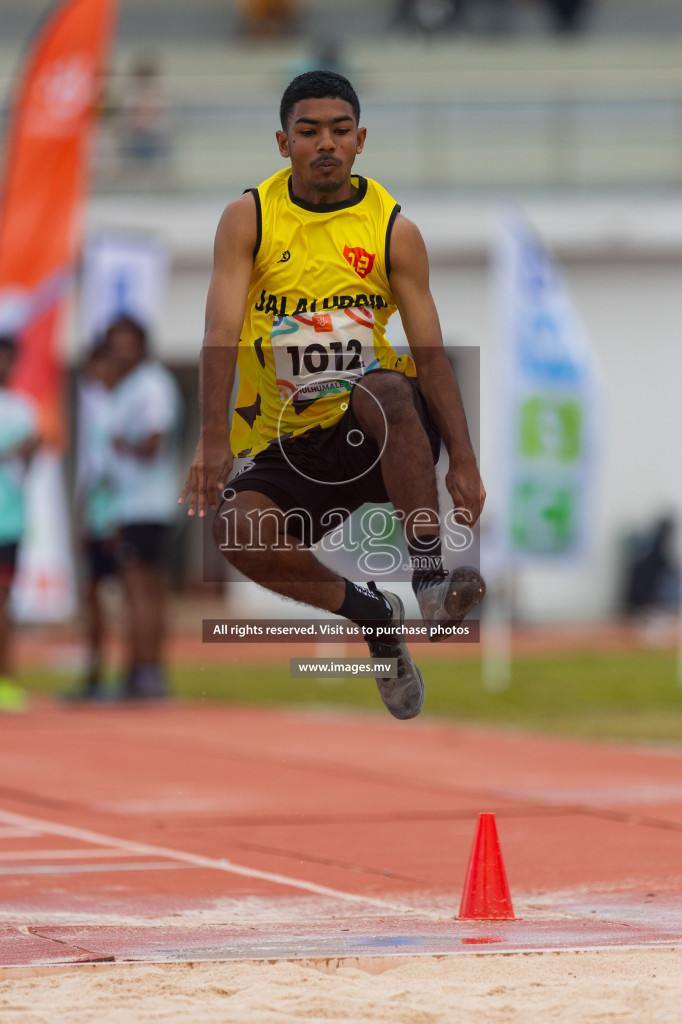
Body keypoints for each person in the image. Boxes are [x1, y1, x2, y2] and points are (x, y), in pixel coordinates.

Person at [180, 70, 485, 720]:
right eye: (309, 131)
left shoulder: (392, 229)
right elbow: (220, 332)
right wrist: (211, 440)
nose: (326, 143)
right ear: (283, 142)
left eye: (340, 131)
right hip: (285, 443)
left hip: (373, 434)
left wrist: (462, 456)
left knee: (388, 388)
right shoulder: (250, 220)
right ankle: (373, 616)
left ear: (361, 139)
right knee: (236, 529)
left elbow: (430, 356)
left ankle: (429, 580)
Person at [106, 316, 182, 700]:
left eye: (127, 343)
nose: (120, 351)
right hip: (131, 505)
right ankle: (144, 672)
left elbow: (153, 441)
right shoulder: (129, 386)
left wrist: (124, 446)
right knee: (143, 591)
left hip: (145, 505)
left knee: (141, 592)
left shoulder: (151, 384)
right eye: (114, 344)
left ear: (141, 345)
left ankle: (144, 673)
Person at [67, 341, 121, 701]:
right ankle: (96, 671)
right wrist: (81, 516)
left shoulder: (115, 405)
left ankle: (129, 671)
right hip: (98, 515)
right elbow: (89, 470)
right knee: (92, 597)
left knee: (124, 595)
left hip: (116, 514)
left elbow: (112, 470)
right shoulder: (95, 406)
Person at [0, 335, 39, 711]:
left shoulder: (23, 407)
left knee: (4, 603)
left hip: (8, 522)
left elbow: (30, 456)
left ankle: (6, 678)